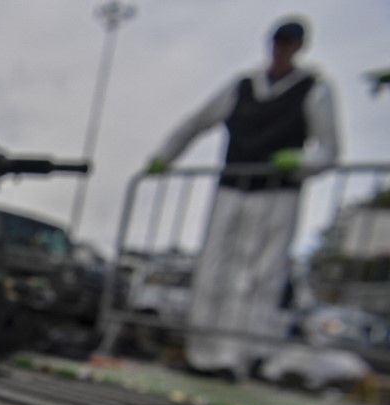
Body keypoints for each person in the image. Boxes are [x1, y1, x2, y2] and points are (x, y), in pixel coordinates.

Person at [146, 18, 340, 379]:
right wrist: (165, 156)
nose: (282, 49)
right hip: (232, 188)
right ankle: (202, 353)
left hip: (277, 195)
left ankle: (239, 357)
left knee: (258, 275)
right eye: (278, 42)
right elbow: (195, 122)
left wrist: (301, 161)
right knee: (213, 269)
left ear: (299, 47)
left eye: (289, 43)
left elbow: (329, 150)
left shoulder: (314, 89)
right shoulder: (243, 86)